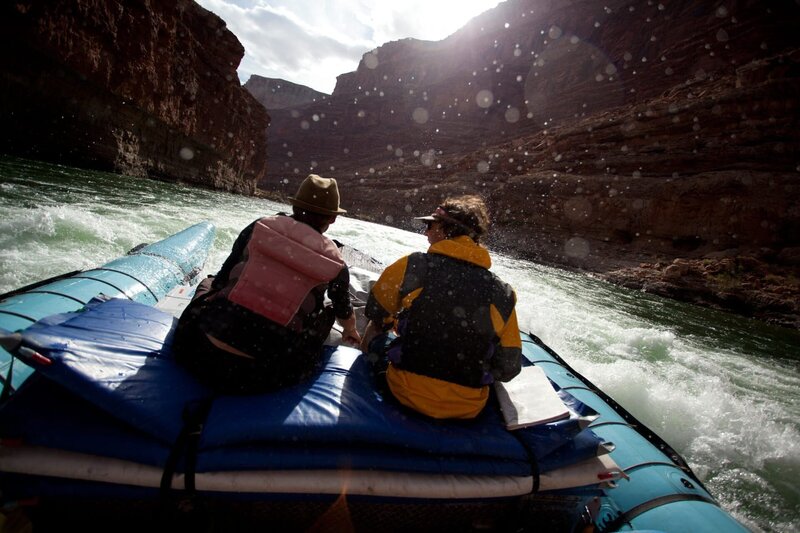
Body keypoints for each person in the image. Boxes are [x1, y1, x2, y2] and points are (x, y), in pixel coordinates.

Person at [173, 174, 361, 394]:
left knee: (209, 282)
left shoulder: (259, 226)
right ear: (332, 219)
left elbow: (223, 278)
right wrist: (351, 330)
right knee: (327, 312)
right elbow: (343, 310)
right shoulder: (336, 263)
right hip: (265, 375)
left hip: (197, 350)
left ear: (294, 205)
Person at [360, 195, 522, 419]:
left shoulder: (414, 265)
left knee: (377, 327)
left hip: (404, 392)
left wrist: (394, 323)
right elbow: (508, 368)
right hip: (468, 408)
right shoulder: (503, 293)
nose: (426, 232)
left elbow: (375, 311)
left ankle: (361, 382)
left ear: (447, 230)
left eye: (430, 225)